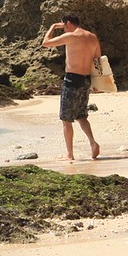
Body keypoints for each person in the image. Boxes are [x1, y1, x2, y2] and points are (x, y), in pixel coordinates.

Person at [42, 14, 101, 160]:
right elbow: (98, 60)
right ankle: (93, 143)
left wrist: (52, 27)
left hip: (72, 80)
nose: (64, 29)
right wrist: (97, 83)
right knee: (81, 115)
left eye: (63, 26)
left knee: (66, 119)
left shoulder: (70, 36)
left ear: (68, 23)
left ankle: (70, 154)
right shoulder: (92, 37)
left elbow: (46, 42)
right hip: (86, 80)